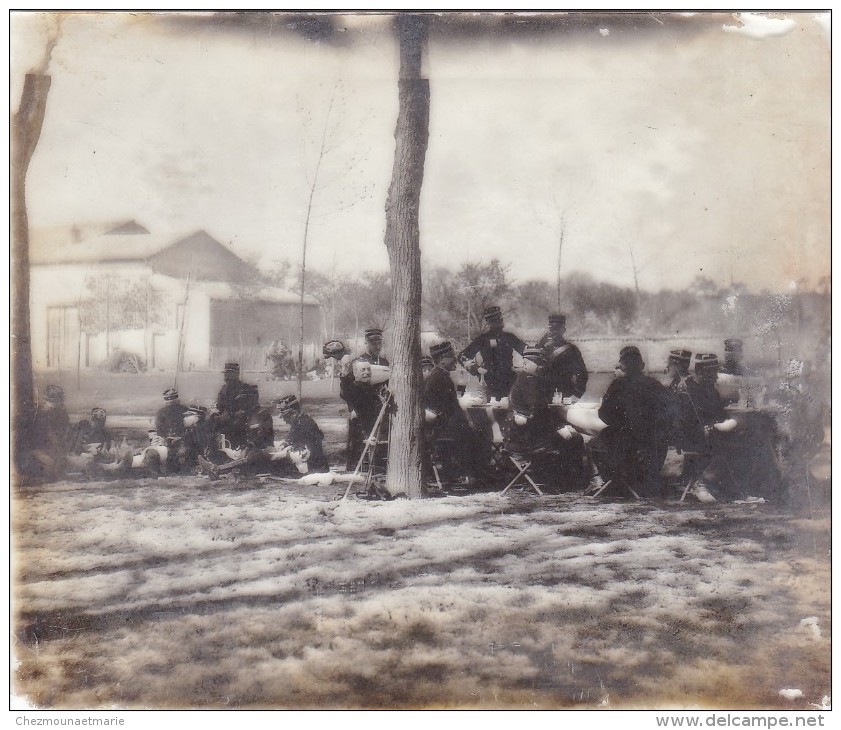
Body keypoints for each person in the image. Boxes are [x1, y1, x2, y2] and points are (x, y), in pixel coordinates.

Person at [595, 346, 673, 498]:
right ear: (642, 365)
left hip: (624, 444)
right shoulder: (655, 385)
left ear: (623, 367)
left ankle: (614, 481)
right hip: (652, 443)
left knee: (599, 440)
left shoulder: (617, 386)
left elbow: (604, 415)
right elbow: (668, 414)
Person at [505, 346, 586, 491]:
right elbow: (537, 412)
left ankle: (570, 481)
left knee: (574, 438)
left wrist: (560, 425)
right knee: (571, 439)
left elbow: (545, 411)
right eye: (527, 362)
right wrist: (558, 427)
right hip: (526, 437)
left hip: (535, 430)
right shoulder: (525, 380)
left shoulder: (538, 380)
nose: (525, 365)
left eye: (528, 362)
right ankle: (564, 481)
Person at [424, 341, 488, 485]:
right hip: (442, 427)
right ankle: (472, 475)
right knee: (479, 432)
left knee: (476, 428)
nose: (454, 360)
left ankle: (462, 472)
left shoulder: (440, 376)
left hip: (442, 424)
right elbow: (451, 408)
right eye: (451, 356)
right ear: (441, 361)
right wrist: (468, 422)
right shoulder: (439, 378)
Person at [681, 353, 739, 502]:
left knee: (742, 436)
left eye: (715, 370)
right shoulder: (688, 389)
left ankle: (728, 483)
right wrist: (710, 427)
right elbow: (685, 421)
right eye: (711, 371)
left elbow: (719, 414)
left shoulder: (710, 389)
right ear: (699, 371)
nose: (715, 375)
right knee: (729, 442)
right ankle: (702, 482)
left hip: (709, 431)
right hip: (691, 435)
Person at [340, 328, 390, 471]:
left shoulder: (385, 362)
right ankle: (358, 467)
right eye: (373, 343)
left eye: (379, 343)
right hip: (361, 407)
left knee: (380, 438)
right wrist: (353, 409)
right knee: (360, 439)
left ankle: (378, 467)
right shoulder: (358, 362)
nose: (377, 346)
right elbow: (348, 391)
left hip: (379, 406)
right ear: (366, 343)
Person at [458, 306, 526, 400]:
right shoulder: (483, 339)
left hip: (509, 381)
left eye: (499, 319)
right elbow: (462, 357)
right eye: (494, 321)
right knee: (491, 410)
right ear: (489, 322)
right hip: (490, 382)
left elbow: (527, 351)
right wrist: (477, 369)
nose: (498, 323)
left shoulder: (509, 337)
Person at [272, 394, 330, 475]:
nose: (284, 420)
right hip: (311, 461)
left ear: (293, 413)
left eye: (285, 416)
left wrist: (285, 452)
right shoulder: (299, 421)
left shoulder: (303, 423)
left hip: (312, 465)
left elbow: (305, 450)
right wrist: (285, 444)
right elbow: (292, 439)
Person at [535, 314, 588, 401]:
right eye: (552, 329)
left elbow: (582, 374)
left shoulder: (571, 350)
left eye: (557, 329)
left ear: (563, 330)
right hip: (542, 394)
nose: (554, 332)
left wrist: (576, 395)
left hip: (563, 394)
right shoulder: (540, 348)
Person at [25, 384, 71, 480]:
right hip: (38, 450)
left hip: (55, 450)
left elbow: (64, 436)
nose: (56, 405)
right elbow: (32, 442)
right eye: (51, 402)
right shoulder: (38, 415)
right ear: (45, 401)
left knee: (61, 465)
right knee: (51, 467)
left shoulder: (62, 414)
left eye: (58, 402)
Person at [155, 388, 189, 472]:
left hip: (168, 440)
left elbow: (159, 429)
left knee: (169, 455)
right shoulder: (185, 409)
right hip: (183, 440)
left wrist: (165, 437)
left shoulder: (161, 412)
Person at [214, 362, 252, 435]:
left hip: (238, 421)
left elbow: (244, 410)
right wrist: (215, 415)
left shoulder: (244, 388)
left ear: (236, 375)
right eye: (225, 374)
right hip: (224, 419)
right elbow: (219, 405)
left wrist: (230, 416)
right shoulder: (223, 389)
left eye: (229, 374)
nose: (226, 377)